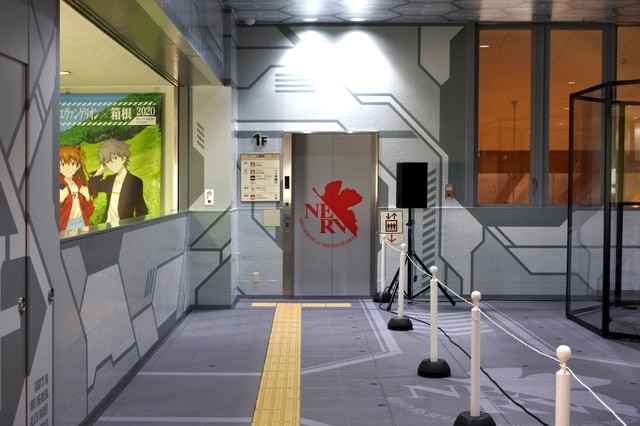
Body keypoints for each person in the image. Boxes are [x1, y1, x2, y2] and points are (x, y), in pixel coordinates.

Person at [89, 138, 148, 223]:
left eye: (115, 159)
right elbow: (91, 190)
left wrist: (133, 227)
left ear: (123, 158)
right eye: (108, 161)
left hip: (124, 226)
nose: (112, 164)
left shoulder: (135, 181)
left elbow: (142, 210)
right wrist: (101, 169)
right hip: (107, 225)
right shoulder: (109, 180)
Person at [60, 145, 95, 231]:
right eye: (63, 164)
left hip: (81, 222)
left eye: (72, 164)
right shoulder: (58, 186)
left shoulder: (80, 185)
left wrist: (87, 197)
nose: (67, 168)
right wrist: (60, 201)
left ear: (78, 166)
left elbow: (88, 213)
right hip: (66, 225)